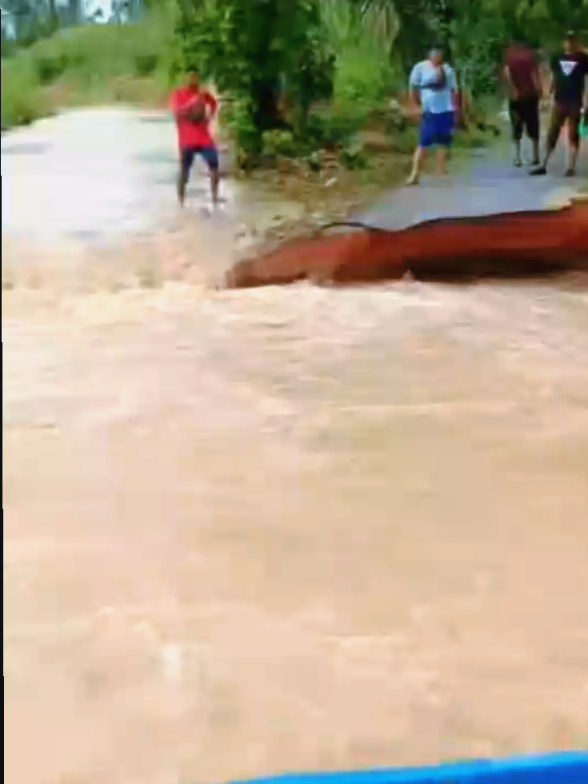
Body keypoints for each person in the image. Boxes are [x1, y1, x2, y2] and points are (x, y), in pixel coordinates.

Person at [531, 31, 588, 177]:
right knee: (553, 131)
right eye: (568, 40)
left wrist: (586, 100)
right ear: (564, 42)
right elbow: (553, 77)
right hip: (559, 100)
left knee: (573, 133)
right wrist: (547, 97)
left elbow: (587, 79)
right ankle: (544, 164)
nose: (570, 43)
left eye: (572, 40)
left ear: (576, 41)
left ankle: (571, 167)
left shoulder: (582, 58)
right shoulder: (557, 57)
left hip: (575, 100)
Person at [406, 48, 458, 186]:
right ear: (430, 57)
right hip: (428, 111)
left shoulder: (448, 70)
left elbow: (453, 90)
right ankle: (415, 174)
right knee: (423, 143)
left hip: (445, 110)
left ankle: (440, 172)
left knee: (443, 142)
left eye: (439, 58)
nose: (436, 60)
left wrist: (456, 110)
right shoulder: (420, 68)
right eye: (434, 57)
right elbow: (413, 88)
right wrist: (414, 107)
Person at [169, 71, 220, 207]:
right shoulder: (178, 94)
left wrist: (209, 117)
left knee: (214, 164)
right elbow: (178, 111)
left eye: (195, 77)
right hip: (187, 138)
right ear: (185, 78)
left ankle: (215, 198)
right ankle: (181, 202)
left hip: (203, 136)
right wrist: (195, 101)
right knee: (184, 170)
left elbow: (213, 104)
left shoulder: (202, 93)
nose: (193, 80)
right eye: (190, 77)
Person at [503, 39, 542, 167]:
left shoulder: (509, 53)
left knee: (516, 125)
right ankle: (535, 155)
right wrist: (539, 89)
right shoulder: (531, 54)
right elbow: (535, 73)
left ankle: (517, 157)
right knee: (533, 125)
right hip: (530, 95)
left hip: (516, 97)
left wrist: (513, 89)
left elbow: (507, 73)